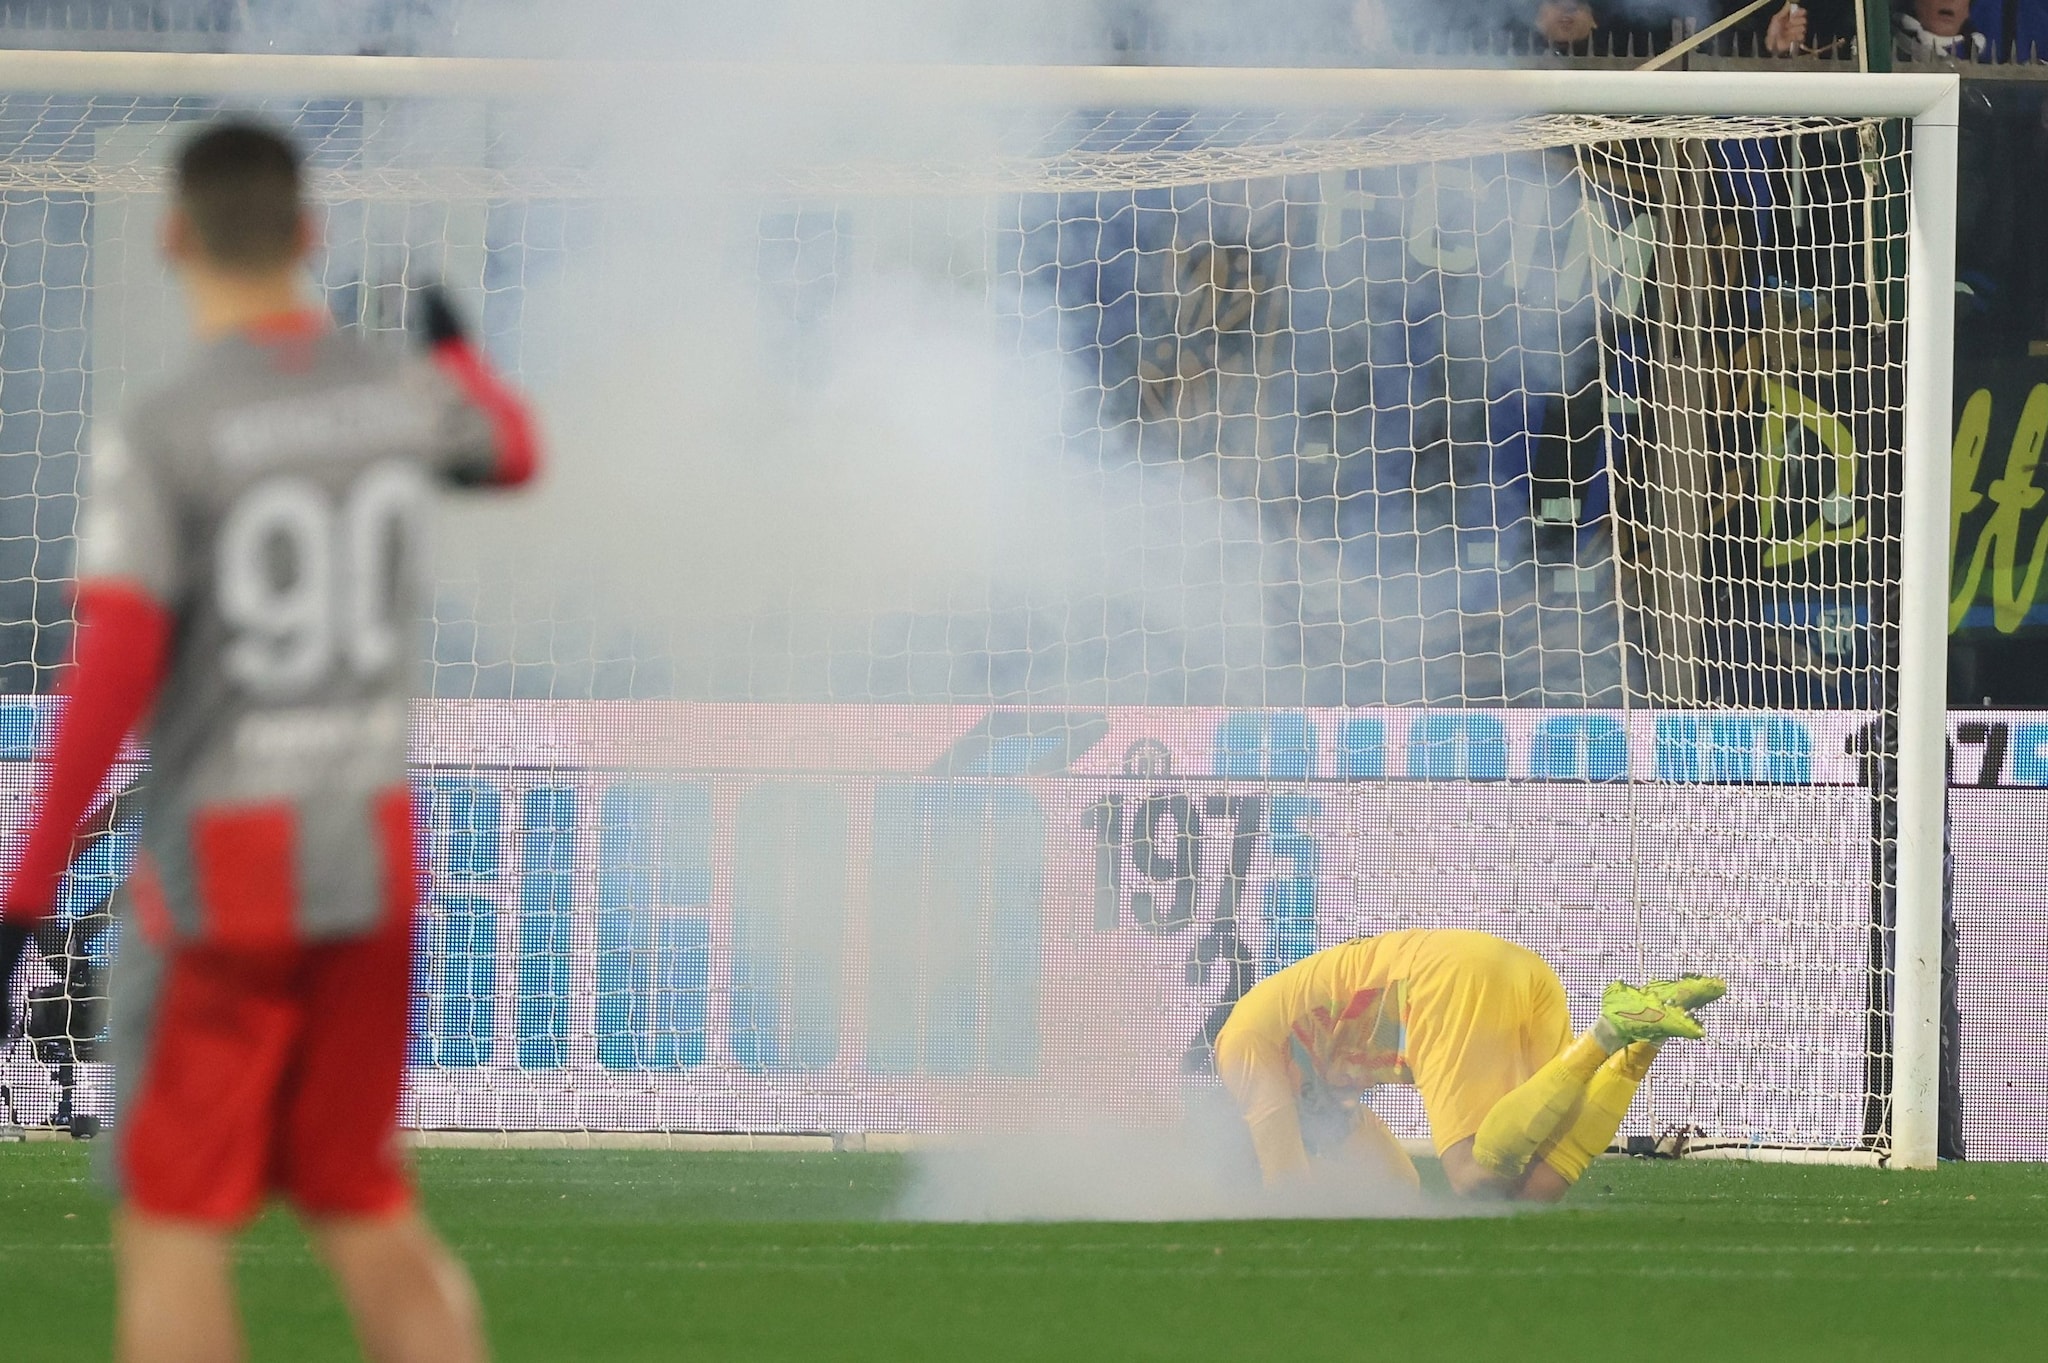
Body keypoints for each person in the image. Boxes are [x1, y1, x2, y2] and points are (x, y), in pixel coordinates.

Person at [0, 118, 538, 1363]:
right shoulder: (391, 395)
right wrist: (458, 353)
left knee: (175, 1227)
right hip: (369, 859)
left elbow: (116, 666)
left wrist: (25, 895)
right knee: (364, 1202)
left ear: (173, 238)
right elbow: (513, 449)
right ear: (311, 235)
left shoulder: (167, 426)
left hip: (229, 872)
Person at [1214, 928, 1723, 1201]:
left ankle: (1608, 1031)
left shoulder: (1241, 1046)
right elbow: (1396, 1185)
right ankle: (1637, 1039)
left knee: (1473, 1174)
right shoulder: (1323, 1095)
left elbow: (1286, 1190)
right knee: (1538, 1186)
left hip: (1438, 983)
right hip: (1506, 967)